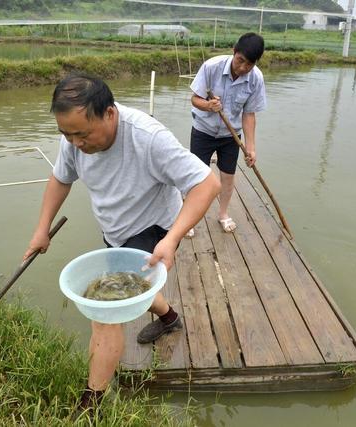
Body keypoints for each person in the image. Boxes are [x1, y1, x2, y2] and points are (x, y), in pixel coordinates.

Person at [24, 73, 221, 411]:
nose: (76, 143)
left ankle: (92, 400)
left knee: (106, 308)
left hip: (154, 226)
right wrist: (42, 229)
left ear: (110, 114)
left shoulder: (148, 137)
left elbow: (207, 184)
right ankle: (171, 318)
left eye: (83, 134)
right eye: (66, 134)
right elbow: (60, 178)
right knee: (136, 287)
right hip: (116, 227)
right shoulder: (73, 138)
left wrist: (172, 239)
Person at [189, 32, 266, 233]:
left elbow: (249, 115)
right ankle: (188, 218)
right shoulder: (211, 67)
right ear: (234, 51)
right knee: (195, 175)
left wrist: (251, 149)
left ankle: (223, 214)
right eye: (240, 61)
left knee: (228, 176)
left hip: (230, 136)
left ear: (256, 63)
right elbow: (194, 99)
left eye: (249, 64)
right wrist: (208, 105)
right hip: (203, 130)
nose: (242, 68)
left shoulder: (256, 79)